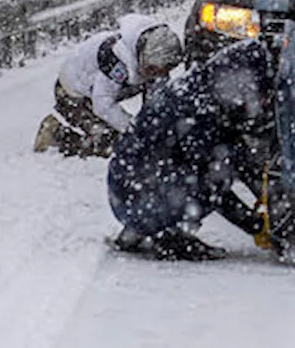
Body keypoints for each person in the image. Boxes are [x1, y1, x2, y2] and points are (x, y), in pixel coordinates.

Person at [106, 39, 274, 261]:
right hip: (135, 196)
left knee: (222, 160)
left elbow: (240, 157)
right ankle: (170, 237)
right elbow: (216, 181)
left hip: (130, 190)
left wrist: (268, 198)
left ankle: (142, 227)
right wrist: (256, 226)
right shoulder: (199, 112)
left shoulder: (202, 89)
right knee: (214, 177)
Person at [33, 14, 184, 157]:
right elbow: (103, 105)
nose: (158, 74)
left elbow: (157, 99)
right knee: (113, 143)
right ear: (143, 56)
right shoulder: (114, 61)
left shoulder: (151, 57)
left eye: (164, 70)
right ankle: (56, 134)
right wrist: (135, 130)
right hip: (73, 95)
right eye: (153, 69)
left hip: (101, 91)